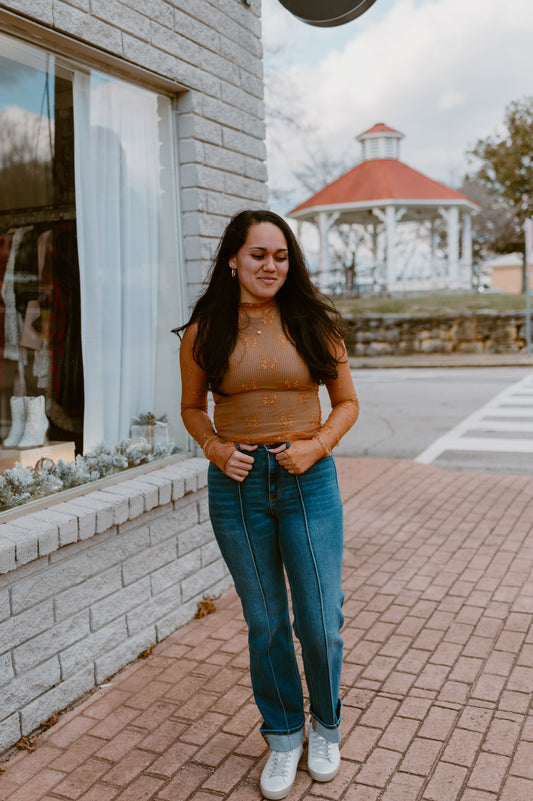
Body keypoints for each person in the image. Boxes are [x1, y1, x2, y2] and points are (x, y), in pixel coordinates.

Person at [176, 209, 359, 800]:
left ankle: (325, 728)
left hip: (308, 481)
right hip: (238, 488)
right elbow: (192, 408)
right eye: (258, 255)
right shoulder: (208, 328)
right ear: (233, 259)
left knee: (319, 620)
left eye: (280, 256)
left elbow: (347, 403)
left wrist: (316, 446)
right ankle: (283, 737)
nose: (270, 266)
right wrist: (214, 449)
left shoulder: (314, 321)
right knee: (266, 622)